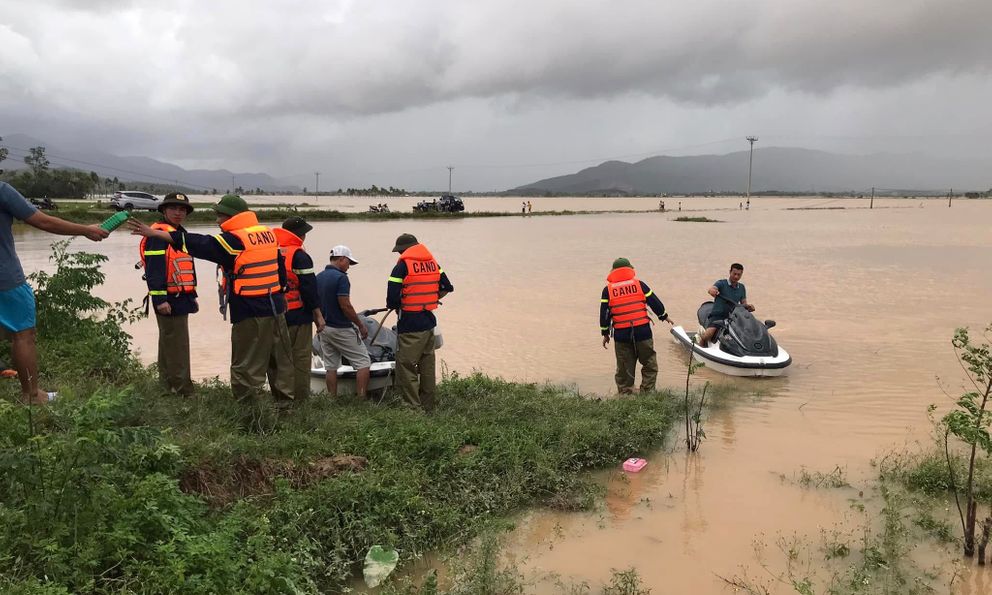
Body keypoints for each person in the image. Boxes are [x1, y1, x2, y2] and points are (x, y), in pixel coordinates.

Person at [129, 194, 294, 406]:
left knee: (246, 366)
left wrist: (156, 234)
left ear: (230, 216)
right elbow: (279, 267)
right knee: (280, 360)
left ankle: (250, 414)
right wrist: (282, 292)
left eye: (219, 216)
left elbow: (203, 244)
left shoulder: (234, 240)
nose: (216, 221)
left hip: (250, 309)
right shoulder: (267, 234)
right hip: (275, 306)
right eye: (174, 208)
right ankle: (285, 406)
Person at [0, 182, 108, 404]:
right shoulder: (1, 190)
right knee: (23, 335)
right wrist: (86, 230)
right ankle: (31, 396)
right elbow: (42, 220)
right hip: (5, 278)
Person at [139, 192, 198, 396]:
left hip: (182, 296)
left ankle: (166, 385)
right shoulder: (158, 235)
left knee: (169, 342)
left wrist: (192, 294)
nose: (178, 213)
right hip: (169, 297)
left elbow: (185, 265)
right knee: (178, 345)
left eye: (182, 209)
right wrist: (160, 298)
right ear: (164, 210)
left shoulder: (178, 233)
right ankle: (183, 390)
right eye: (173, 208)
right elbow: (154, 269)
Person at [386, 233, 453, 412]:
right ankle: (429, 406)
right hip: (429, 322)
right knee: (427, 365)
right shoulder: (432, 263)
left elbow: (392, 299)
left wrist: (402, 303)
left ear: (403, 249)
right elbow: (447, 286)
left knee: (406, 366)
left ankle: (412, 409)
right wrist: (430, 298)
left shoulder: (402, 266)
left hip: (410, 324)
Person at [271, 216, 325, 400]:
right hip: (298, 314)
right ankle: (300, 399)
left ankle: (279, 398)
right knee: (300, 358)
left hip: (275, 313)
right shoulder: (300, 255)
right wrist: (318, 315)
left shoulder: (271, 250)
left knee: (278, 358)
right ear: (300, 235)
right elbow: (309, 288)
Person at [601, 258, 673, 394]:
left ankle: (625, 393)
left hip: (622, 334)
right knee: (649, 363)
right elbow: (654, 302)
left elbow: (604, 314)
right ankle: (647, 391)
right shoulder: (639, 285)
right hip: (643, 332)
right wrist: (664, 316)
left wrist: (605, 333)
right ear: (630, 269)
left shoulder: (608, 290)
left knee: (624, 366)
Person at [315, 245, 370, 397]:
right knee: (363, 362)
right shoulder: (341, 278)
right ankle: (362, 399)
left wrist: (318, 324)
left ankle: (332, 399)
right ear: (341, 259)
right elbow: (345, 305)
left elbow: (314, 303)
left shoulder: (318, 277)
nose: (349, 267)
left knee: (331, 366)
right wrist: (360, 325)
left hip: (324, 328)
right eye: (348, 263)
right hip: (341, 328)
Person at [697, 263, 754, 347]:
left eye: (739, 274)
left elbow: (743, 304)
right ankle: (700, 346)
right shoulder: (721, 283)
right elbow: (711, 289)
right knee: (709, 334)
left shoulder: (742, 287)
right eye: (734, 274)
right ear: (730, 272)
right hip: (718, 316)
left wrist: (749, 307)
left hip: (733, 318)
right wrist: (712, 291)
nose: (736, 277)